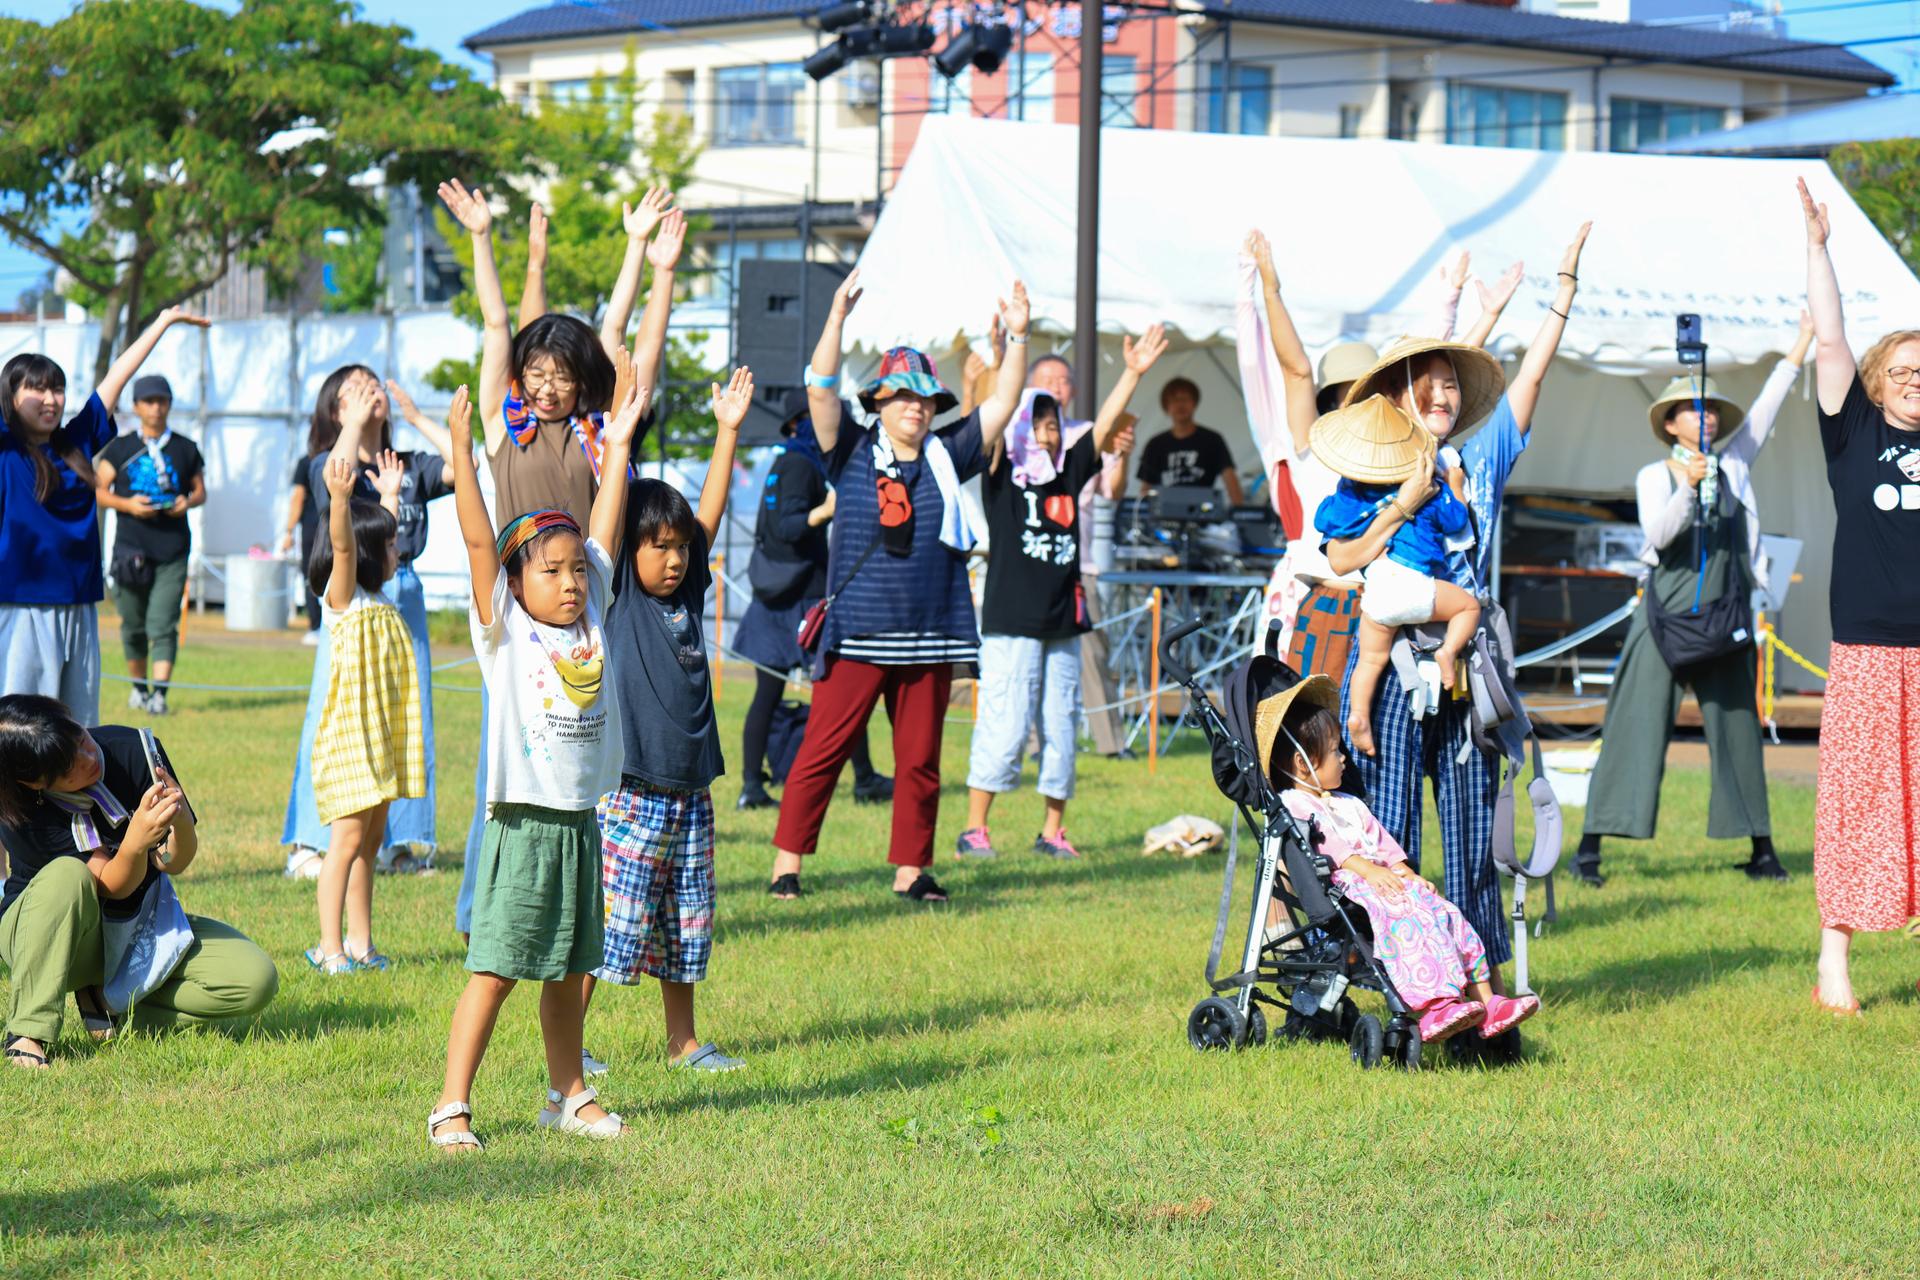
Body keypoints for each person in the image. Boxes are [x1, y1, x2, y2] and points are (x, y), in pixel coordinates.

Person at [1328, 221, 1593, 995]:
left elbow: (1532, 383)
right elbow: (1340, 560)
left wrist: (1562, 294)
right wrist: (1395, 509)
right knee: (1389, 828)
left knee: (1476, 831)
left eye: (1452, 385)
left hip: (1465, 670)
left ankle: (1483, 987)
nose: (1443, 395)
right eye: (1428, 386)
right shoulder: (1372, 465)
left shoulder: (1476, 456)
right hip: (1391, 665)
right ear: (1401, 400)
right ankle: (1393, 979)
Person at [439, 181, 681, 947]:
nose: (545, 385)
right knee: (504, 769)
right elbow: (498, 320)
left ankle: (569, 900)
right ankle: (484, 915)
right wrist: (484, 237)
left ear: (581, 385)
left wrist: (646, 257)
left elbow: (628, 341)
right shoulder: (506, 420)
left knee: (572, 760)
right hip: (515, 613)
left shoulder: (596, 437)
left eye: (561, 376)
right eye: (535, 373)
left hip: (583, 607)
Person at [430, 371, 645, 1151]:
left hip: (580, 822)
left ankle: (569, 1093)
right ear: (516, 584)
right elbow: (482, 540)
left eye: (575, 571)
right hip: (521, 823)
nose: (567, 582)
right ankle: (452, 1106)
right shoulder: (504, 632)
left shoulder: (593, 613)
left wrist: (616, 450)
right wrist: (462, 454)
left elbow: (605, 531)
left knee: (570, 971)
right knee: (497, 968)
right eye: (549, 572)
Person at [766, 269, 1031, 903]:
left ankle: (911, 870)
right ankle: (786, 867)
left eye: (923, 399)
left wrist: (1018, 339)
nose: (914, 407)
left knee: (919, 761)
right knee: (822, 752)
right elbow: (821, 387)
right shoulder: (848, 449)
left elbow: (1003, 404)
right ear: (879, 401)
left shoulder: (950, 452)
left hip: (930, 633)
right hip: (857, 631)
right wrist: (835, 319)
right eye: (901, 397)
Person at [1573, 315, 1815, 889]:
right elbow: (1657, 536)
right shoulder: (1652, 474)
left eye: (1710, 410)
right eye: (1693, 409)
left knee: (1737, 727)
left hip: (1727, 612)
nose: (1705, 416)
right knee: (1632, 724)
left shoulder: (1734, 464)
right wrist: (1687, 488)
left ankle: (1761, 848)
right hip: (1664, 614)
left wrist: (1800, 345)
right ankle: (1591, 848)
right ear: (1671, 423)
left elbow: (1769, 406)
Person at [1238, 231, 1520, 661]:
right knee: (1301, 723)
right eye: (1347, 393)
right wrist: (1269, 289)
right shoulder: (1313, 446)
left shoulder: (1402, 448)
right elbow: (1295, 369)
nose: (1362, 404)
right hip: (1321, 599)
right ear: (1329, 401)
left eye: (1370, 393)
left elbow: (1432, 383)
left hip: (1385, 608)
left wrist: (1467, 310)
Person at [583, 368, 753, 1076]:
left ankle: (683, 1042)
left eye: (682, 548)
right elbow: (612, 519)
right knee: (610, 923)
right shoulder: (618, 590)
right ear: (631, 549)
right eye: (661, 546)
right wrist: (619, 443)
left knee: (685, 923)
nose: (677, 557)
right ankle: (572, 1044)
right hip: (632, 788)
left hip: (691, 790)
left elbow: (705, 519)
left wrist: (729, 432)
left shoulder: (687, 588)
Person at [958, 326, 1164, 860]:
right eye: (1040, 424)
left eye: (1054, 426)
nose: (1049, 434)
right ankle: (974, 830)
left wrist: (1134, 372)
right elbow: (992, 415)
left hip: (1063, 623)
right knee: (1004, 724)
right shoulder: (1002, 473)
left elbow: (1100, 432)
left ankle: (1052, 831)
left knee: (1060, 729)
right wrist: (1006, 355)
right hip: (1010, 621)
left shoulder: (1071, 472)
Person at [0, 694, 277, 1068]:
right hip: (47, 937)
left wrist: (177, 818)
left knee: (254, 979)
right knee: (69, 874)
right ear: (34, 783)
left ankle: (115, 1008)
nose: (89, 759)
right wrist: (135, 842)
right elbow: (110, 885)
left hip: (132, 928)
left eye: (80, 738)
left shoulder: (129, 749)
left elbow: (174, 861)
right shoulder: (22, 814)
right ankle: (27, 1031)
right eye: (70, 769)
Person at [1797, 178, 1920, 1016]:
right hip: (1871, 650)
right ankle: (1834, 960)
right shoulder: (1854, 433)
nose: (1916, 381)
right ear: (1878, 382)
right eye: (1904, 371)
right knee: (1858, 798)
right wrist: (1819, 248)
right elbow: (1831, 336)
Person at [1257, 676, 1537, 1044]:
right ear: (1303, 763)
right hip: (1352, 886)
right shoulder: (1296, 804)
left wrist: (1406, 873)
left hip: (1385, 880)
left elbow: (1383, 843)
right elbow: (1333, 848)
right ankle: (1436, 1005)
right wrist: (1368, 869)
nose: (1344, 758)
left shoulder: (1350, 804)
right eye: (1335, 751)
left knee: (1446, 914)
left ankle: (1488, 1002)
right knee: (1410, 925)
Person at [279, 367, 451, 879]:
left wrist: (419, 417)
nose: (370, 389)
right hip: (349, 597)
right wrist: (350, 425)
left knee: (404, 718)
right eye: (353, 387)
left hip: (406, 595)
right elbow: (336, 475)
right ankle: (313, 842)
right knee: (334, 719)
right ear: (334, 408)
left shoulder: (410, 465)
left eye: (373, 383)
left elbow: (468, 470)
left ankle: (394, 845)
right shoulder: (324, 464)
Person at [0, 307, 208, 724]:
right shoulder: (6, 450)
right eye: (36, 389)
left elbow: (118, 376)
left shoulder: (76, 444)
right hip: (22, 607)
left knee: (78, 728)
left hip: (80, 604)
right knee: (23, 732)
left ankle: (69, 795)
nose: (50, 399)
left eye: (57, 389)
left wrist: (163, 321)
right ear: (9, 396)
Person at [302, 442, 425, 976]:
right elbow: (348, 548)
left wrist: (391, 496)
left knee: (371, 842)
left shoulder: (382, 598)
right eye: (392, 545)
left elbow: (376, 538)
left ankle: (360, 943)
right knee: (346, 843)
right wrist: (337, 499)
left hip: (379, 740)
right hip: (349, 741)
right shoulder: (344, 597)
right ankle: (329, 949)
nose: (398, 552)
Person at [734, 389, 890, 811]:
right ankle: (863, 779)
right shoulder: (803, 463)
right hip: (802, 600)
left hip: (777, 595)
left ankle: (753, 785)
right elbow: (787, 526)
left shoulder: (783, 460)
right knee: (840, 691)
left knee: (771, 694)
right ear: (803, 421)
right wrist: (826, 511)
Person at [1313, 388, 1489, 756]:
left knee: (1369, 661)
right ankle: (1448, 653)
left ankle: (1358, 716)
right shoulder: (1427, 488)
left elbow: (1331, 525)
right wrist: (1455, 486)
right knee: (1469, 607)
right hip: (1414, 586)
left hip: (1377, 589)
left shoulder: (1356, 493)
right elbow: (1457, 519)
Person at [1026, 353, 1136, 760]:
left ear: (1073, 389)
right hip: (1032, 563)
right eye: (1046, 379)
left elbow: (1113, 490)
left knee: (1094, 651)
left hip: (1081, 561)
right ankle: (1036, 745)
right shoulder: (1019, 433)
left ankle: (1111, 742)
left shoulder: (1090, 432)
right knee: (1034, 655)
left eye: (1063, 380)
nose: (1056, 386)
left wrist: (1121, 452)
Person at [94, 374, 207, 716]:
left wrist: (188, 503)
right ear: (137, 406)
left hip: (172, 548)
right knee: (133, 623)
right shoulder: (121, 446)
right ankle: (138, 689)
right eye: (150, 401)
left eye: (163, 400)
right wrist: (128, 505)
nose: (157, 407)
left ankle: (160, 694)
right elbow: (97, 490)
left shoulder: (186, 447)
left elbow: (200, 491)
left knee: (162, 623)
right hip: (130, 548)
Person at [1136, 376, 1244, 505]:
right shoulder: (1156, 444)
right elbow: (1146, 486)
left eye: (1185, 399)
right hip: (1165, 513)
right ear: (1166, 406)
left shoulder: (1212, 440)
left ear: (1194, 403)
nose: (1180, 405)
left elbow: (1230, 478)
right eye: (1174, 400)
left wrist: (1239, 512)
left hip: (1204, 513)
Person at [277, 438, 323, 645]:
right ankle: (321, 625)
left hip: (313, 530)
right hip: (335, 526)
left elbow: (298, 497)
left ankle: (316, 626)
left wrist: (289, 531)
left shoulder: (307, 462)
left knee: (312, 577)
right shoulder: (342, 459)